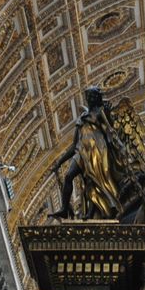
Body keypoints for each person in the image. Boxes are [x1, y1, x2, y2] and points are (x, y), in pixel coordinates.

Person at [50, 87, 123, 219]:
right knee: (68, 176)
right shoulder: (83, 117)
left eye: (91, 96)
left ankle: (90, 213)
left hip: (97, 150)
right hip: (81, 151)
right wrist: (59, 162)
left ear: (96, 98)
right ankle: (64, 208)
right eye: (88, 96)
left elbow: (111, 128)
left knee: (93, 180)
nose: (89, 99)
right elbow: (74, 144)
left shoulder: (100, 112)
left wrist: (108, 113)